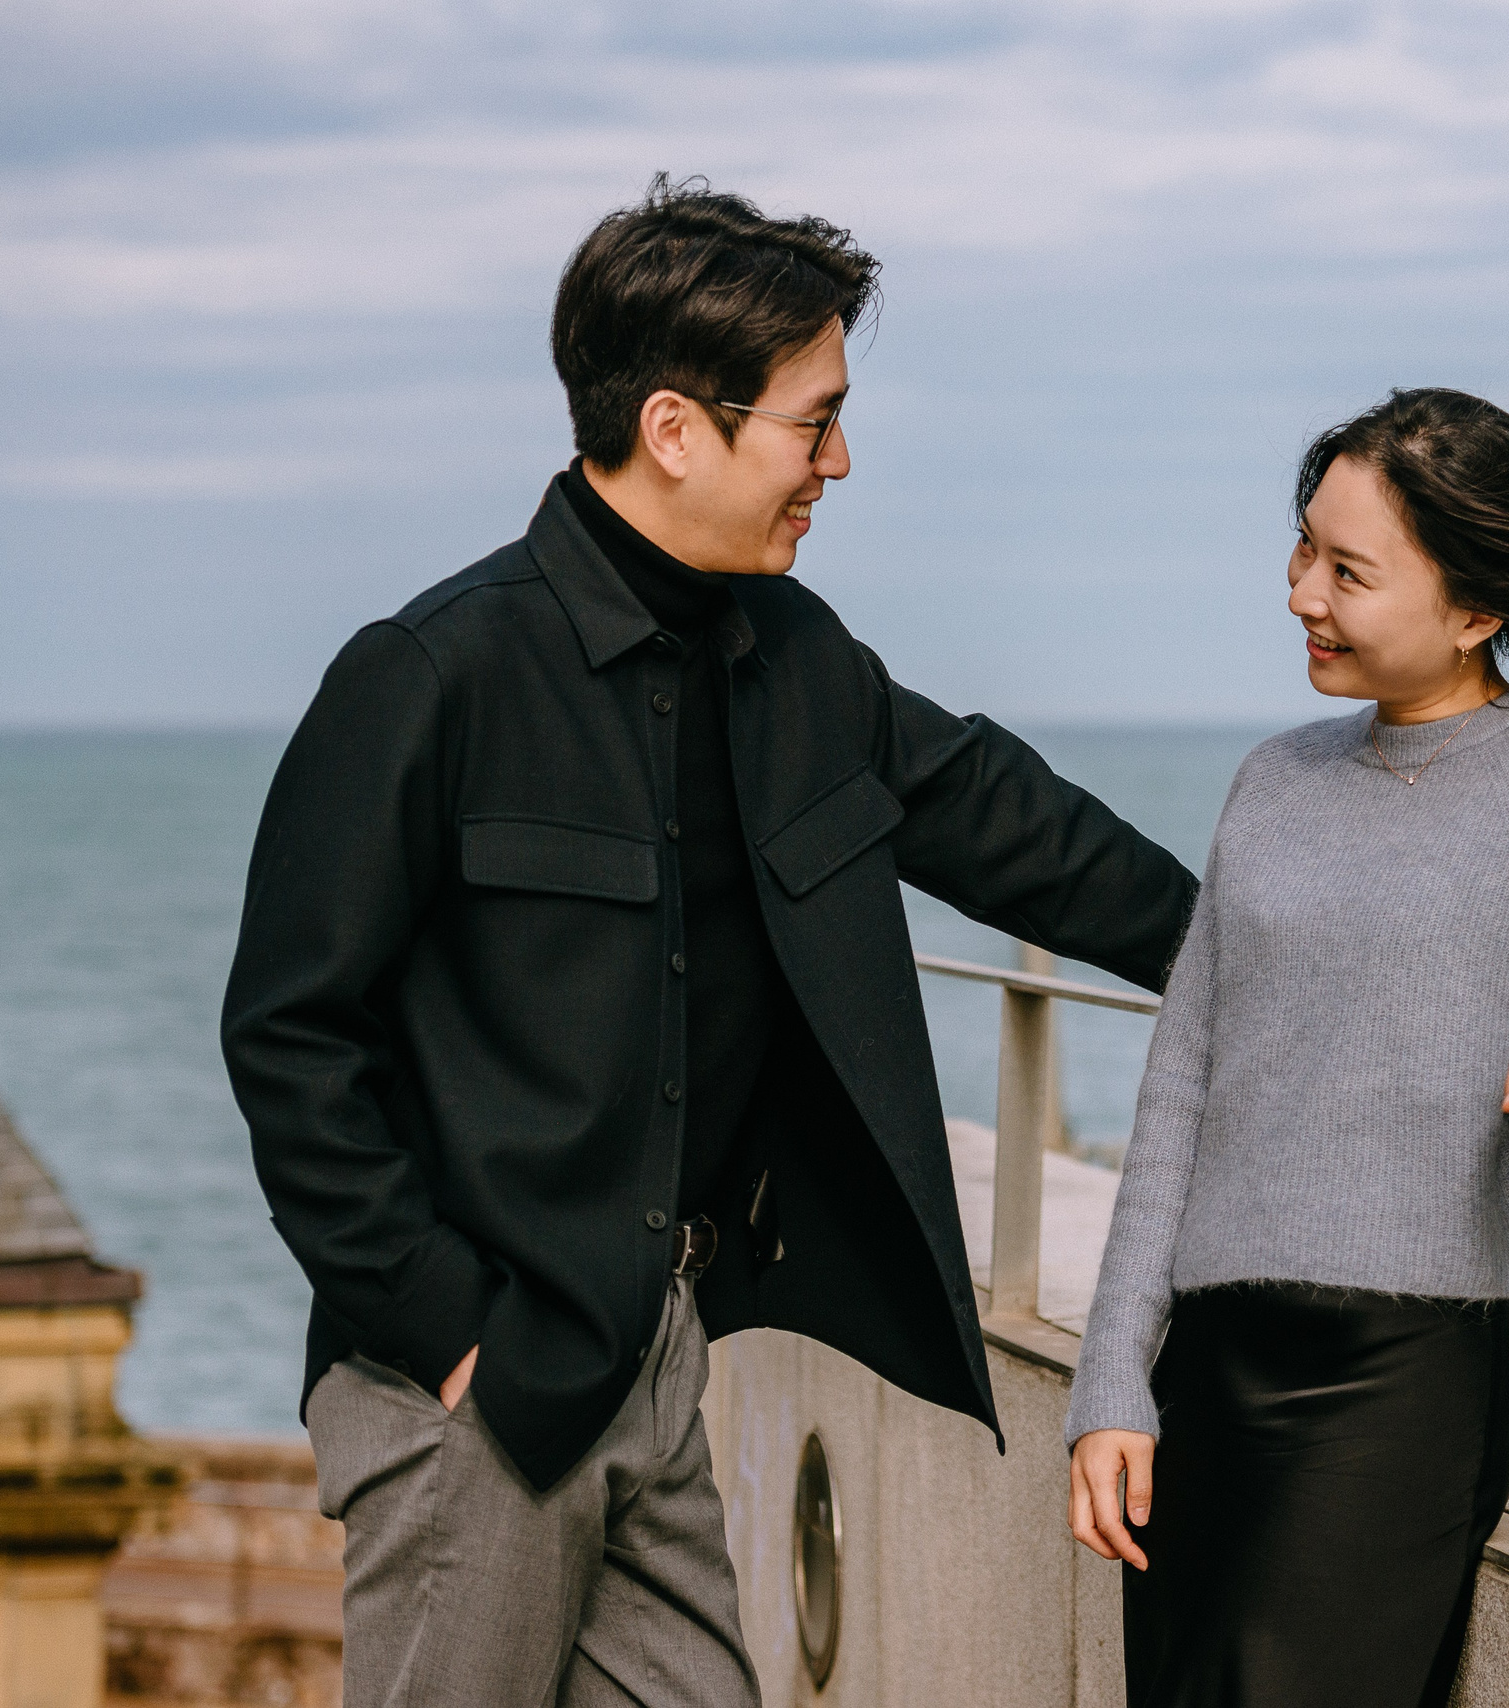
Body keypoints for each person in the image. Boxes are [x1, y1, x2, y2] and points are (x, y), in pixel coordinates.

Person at [222, 177, 1199, 1707]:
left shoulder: (801, 661)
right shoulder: (428, 676)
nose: (841, 461)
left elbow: (1027, 838)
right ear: (678, 428)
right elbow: (289, 1038)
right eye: (814, 424)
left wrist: (1288, 966)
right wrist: (446, 1334)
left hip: (660, 1353)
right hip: (473, 1388)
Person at [1064, 387, 1509, 1708]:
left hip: (1399, 1386)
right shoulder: (1273, 777)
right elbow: (1182, 1090)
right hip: (1207, 1372)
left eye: (1348, 570)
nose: (1301, 593)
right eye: (1302, 551)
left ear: (1478, 608)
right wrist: (1111, 1387)